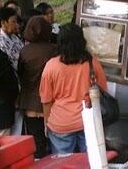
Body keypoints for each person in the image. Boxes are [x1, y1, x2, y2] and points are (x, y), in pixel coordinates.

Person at [39, 23, 107, 154]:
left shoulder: (51, 66)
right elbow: (103, 89)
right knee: (88, 162)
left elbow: (46, 100)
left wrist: (46, 123)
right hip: (87, 122)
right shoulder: (92, 62)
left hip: (60, 124)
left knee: (64, 164)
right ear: (82, 41)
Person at [18, 16, 57, 158]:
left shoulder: (24, 51)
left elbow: (21, 76)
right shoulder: (55, 49)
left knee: (36, 144)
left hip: (30, 103)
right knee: (53, 145)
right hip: (51, 103)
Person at [0, 7, 24, 72]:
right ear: (3, 23)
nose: (16, 25)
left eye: (16, 22)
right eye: (13, 22)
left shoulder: (15, 37)